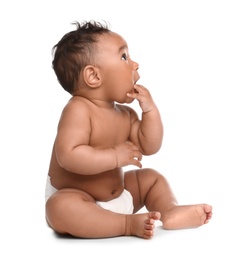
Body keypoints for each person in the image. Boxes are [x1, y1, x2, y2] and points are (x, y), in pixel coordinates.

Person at [45, 20, 212, 239]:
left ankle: (169, 211)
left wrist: (150, 111)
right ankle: (125, 224)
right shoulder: (78, 110)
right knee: (59, 207)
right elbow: (68, 156)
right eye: (124, 57)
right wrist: (115, 157)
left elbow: (149, 146)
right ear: (94, 76)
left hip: (119, 195)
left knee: (151, 179)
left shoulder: (125, 114)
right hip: (79, 199)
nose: (135, 64)